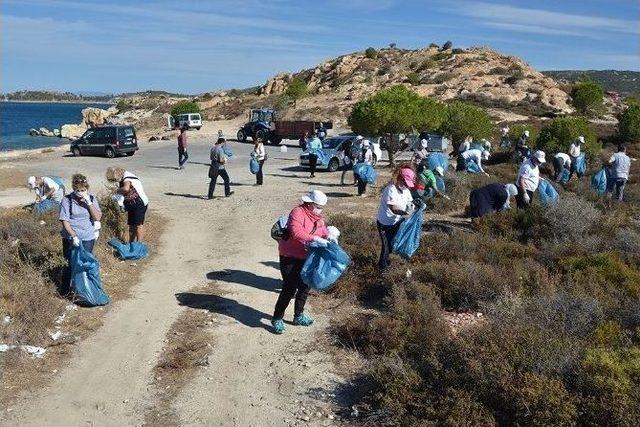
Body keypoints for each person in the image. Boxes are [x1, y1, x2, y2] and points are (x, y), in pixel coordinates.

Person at [272, 190, 338, 334]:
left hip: (307, 256)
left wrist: (330, 235)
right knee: (289, 288)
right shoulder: (297, 212)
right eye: (318, 206)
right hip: (289, 255)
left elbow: (322, 231)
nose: (320, 210)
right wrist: (314, 239)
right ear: (309, 203)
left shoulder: (318, 217)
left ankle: (298, 316)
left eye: (321, 207)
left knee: (305, 286)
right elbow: (296, 233)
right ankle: (277, 318)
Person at [59, 174, 102, 295]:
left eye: (83, 190)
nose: (80, 192)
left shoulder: (92, 199)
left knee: (85, 264)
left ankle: (84, 290)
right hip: (70, 237)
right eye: (78, 190)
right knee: (69, 263)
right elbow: (64, 220)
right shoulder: (67, 200)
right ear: (73, 188)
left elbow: (97, 217)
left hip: (88, 237)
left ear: (87, 188)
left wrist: (88, 203)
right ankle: (65, 291)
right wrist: (73, 235)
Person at [376, 167, 416, 271]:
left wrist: (416, 206)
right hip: (384, 224)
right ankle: (382, 269)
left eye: (408, 184)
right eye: (406, 183)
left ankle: (390, 264)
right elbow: (393, 208)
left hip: (397, 222)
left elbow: (410, 203)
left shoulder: (406, 191)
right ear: (400, 179)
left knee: (394, 244)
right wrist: (405, 213)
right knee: (386, 247)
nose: (407, 186)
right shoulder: (391, 189)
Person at [106, 167, 149, 242]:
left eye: (114, 179)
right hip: (132, 204)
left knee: (139, 225)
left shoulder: (127, 177)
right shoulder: (123, 178)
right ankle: (131, 243)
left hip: (139, 203)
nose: (115, 181)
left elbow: (126, 189)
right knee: (131, 226)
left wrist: (117, 190)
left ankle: (139, 245)